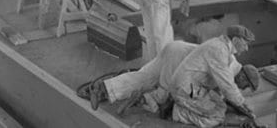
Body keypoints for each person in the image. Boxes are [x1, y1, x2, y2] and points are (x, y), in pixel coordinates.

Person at [89, 40, 259, 113]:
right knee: (165, 94)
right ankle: (142, 99)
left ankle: (103, 88)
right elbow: (227, 91)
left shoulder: (230, 61)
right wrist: (243, 107)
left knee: (145, 77)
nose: (242, 88)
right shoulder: (228, 67)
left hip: (174, 49)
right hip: (177, 60)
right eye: (245, 86)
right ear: (243, 77)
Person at [169, 25, 256, 128]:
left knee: (220, 106)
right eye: (245, 44)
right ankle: (178, 113)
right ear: (236, 40)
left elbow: (222, 89)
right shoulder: (219, 50)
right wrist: (243, 105)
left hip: (193, 86)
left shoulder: (221, 47)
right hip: (186, 89)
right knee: (217, 116)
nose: (246, 48)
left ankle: (182, 104)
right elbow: (227, 85)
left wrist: (239, 105)